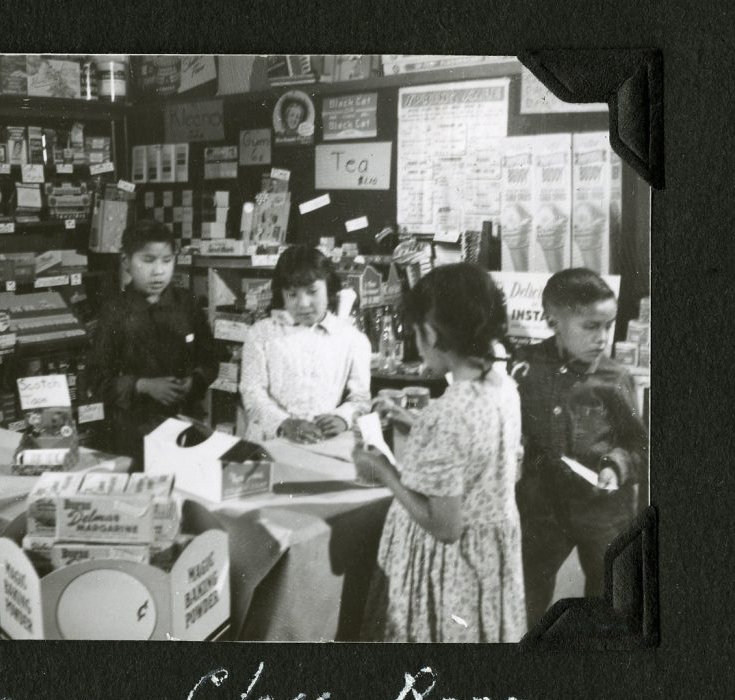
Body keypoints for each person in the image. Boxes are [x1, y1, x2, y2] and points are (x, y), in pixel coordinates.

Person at [359, 263, 526, 643]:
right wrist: (412, 421)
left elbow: (445, 527)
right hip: (490, 556)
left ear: (431, 334)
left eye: (416, 333)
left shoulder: (447, 414)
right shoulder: (503, 385)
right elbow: (475, 448)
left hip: (452, 566)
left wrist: (384, 469)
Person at [512, 268, 647, 628]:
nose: (602, 338)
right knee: (524, 598)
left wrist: (616, 466)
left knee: (607, 601)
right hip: (541, 508)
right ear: (552, 321)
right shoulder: (525, 366)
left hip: (603, 510)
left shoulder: (616, 377)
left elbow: (638, 442)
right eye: (590, 327)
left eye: (608, 325)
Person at [87, 221, 218, 467]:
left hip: (185, 423)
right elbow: (96, 378)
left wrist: (195, 379)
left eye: (166, 261)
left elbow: (209, 360)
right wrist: (143, 385)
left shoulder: (186, 305)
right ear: (126, 260)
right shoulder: (114, 312)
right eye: (148, 260)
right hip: (132, 433)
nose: (158, 271)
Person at [239, 244, 371, 444]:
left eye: (312, 291)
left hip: (322, 443)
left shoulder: (352, 339)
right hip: (269, 441)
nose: (303, 303)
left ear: (329, 287)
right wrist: (284, 423)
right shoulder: (261, 333)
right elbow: (252, 391)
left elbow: (360, 398)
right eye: (292, 294)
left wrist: (342, 418)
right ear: (281, 294)